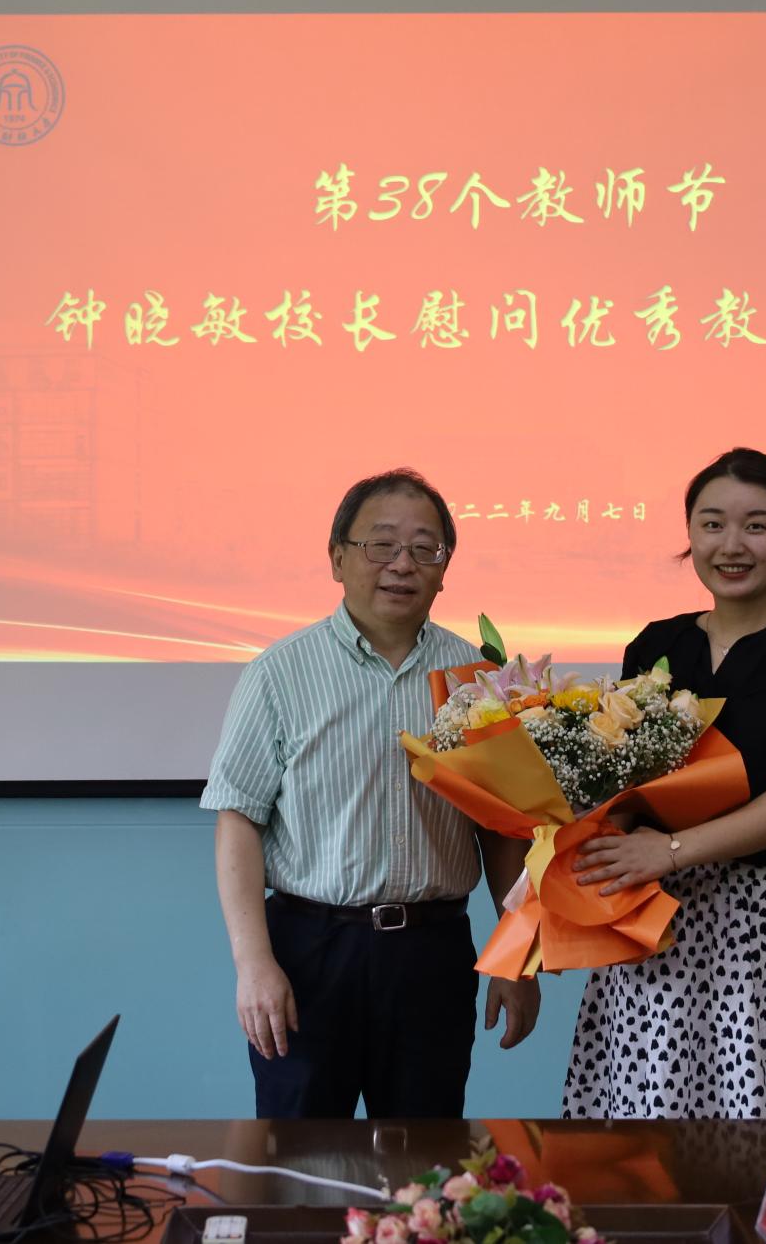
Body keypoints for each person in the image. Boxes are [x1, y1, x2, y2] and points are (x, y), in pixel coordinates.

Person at [203, 468, 541, 1118]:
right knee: (300, 1157)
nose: (402, 565)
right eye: (381, 544)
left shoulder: (479, 679)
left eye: (424, 548)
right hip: (309, 951)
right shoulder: (279, 673)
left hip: (432, 952)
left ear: (445, 568)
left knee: (425, 1159)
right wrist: (254, 964)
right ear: (337, 558)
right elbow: (238, 819)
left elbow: (502, 830)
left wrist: (517, 954)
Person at [560, 447, 766, 1119]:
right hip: (653, 927)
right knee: (648, 1130)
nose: (732, 545)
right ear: (690, 534)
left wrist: (670, 851)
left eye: (757, 525)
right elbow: (630, 791)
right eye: (712, 524)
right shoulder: (656, 645)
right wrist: (569, 846)